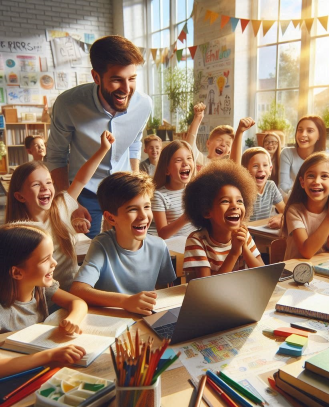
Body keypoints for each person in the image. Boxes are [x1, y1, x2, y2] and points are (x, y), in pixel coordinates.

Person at [45, 35, 152, 239]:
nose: (126, 89)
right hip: (84, 193)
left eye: (132, 79)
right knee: (84, 252)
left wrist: (136, 185)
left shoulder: (144, 104)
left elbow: (134, 144)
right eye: (116, 79)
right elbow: (56, 156)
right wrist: (71, 202)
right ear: (96, 77)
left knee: (126, 249)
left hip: (124, 190)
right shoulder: (68, 104)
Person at [6, 131, 115, 291]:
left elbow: (81, 179)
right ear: (20, 197)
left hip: (76, 290)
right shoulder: (20, 231)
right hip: (44, 299)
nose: (45, 188)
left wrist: (103, 149)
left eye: (49, 182)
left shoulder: (61, 206)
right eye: (36, 184)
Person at [70, 172, 176, 315]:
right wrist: (125, 302)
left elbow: (165, 291)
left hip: (144, 320)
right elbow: (78, 290)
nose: (143, 216)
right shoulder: (102, 245)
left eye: (147, 207)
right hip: (111, 320)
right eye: (133, 209)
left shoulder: (159, 246)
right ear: (110, 218)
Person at [0, 224, 87, 336]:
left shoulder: (40, 288)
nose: (54, 263)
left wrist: (73, 319)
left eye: (52, 255)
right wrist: (48, 355)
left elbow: (77, 302)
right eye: (45, 259)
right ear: (17, 272)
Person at [183, 159, 263, 277]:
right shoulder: (197, 241)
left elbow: (263, 275)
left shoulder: (244, 235)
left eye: (240, 201)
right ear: (206, 212)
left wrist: (244, 248)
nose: (235, 206)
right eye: (225, 201)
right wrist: (234, 253)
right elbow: (207, 287)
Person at [185, 102, 254, 170]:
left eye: (228, 144)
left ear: (229, 152)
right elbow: (189, 145)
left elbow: (236, 165)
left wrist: (240, 132)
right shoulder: (199, 160)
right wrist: (198, 117)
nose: (223, 144)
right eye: (219, 140)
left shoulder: (226, 167)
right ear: (208, 143)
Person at [148, 140, 196, 239]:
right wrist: (186, 217)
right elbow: (163, 234)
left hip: (196, 244)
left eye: (189, 158)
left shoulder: (194, 189)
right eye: (178, 160)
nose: (185, 163)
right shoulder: (159, 196)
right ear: (166, 170)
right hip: (175, 249)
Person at [279, 115, 329, 196]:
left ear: (319, 135)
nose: (303, 134)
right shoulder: (287, 153)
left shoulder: (328, 156)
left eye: (310, 131)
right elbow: (283, 186)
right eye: (300, 130)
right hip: (294, 198)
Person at [241, 147, 285, 229]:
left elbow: (284, 211)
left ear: (270, 169)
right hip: (246, 233)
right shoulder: (243, 190)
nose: (261, 169)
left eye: (265, 165)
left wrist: (280, 218)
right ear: (245, 170)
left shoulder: (271, 186)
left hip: (264, 232)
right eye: (255, 166)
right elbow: (240, 223)